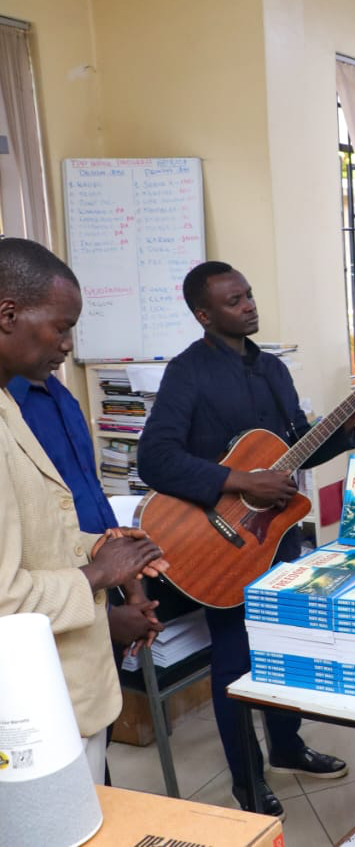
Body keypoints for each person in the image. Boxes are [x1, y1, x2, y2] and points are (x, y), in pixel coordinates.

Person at [137, 260, 355, 815]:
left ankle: (288, 748)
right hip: (218, 545)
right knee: (236, 659)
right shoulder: (188, 373)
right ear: (204, 314)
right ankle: (247, 782)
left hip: (274, 537)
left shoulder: (272, 370)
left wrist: (349, 422)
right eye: (233, 300)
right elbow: (154, 458)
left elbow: (297, 446)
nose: (248, 305)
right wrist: (238, 479)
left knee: (284, 645)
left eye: (248, 295)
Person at [0, 237, 167, 784]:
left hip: (70, 678)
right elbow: (5, 596)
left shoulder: (20, 398)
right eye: (61, 327)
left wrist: (102, 547)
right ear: (8, 315)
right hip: (33, 699)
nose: (69, 344)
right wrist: (99, 575)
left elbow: (50, 518)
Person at [9, 374, 164, 656]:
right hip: (61, 606)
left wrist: (132, 588)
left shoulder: (60, 394)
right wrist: (105, 616)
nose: (68, 345)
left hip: (103, 582)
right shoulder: (11, 413)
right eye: (59, 329)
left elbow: (90, 497)